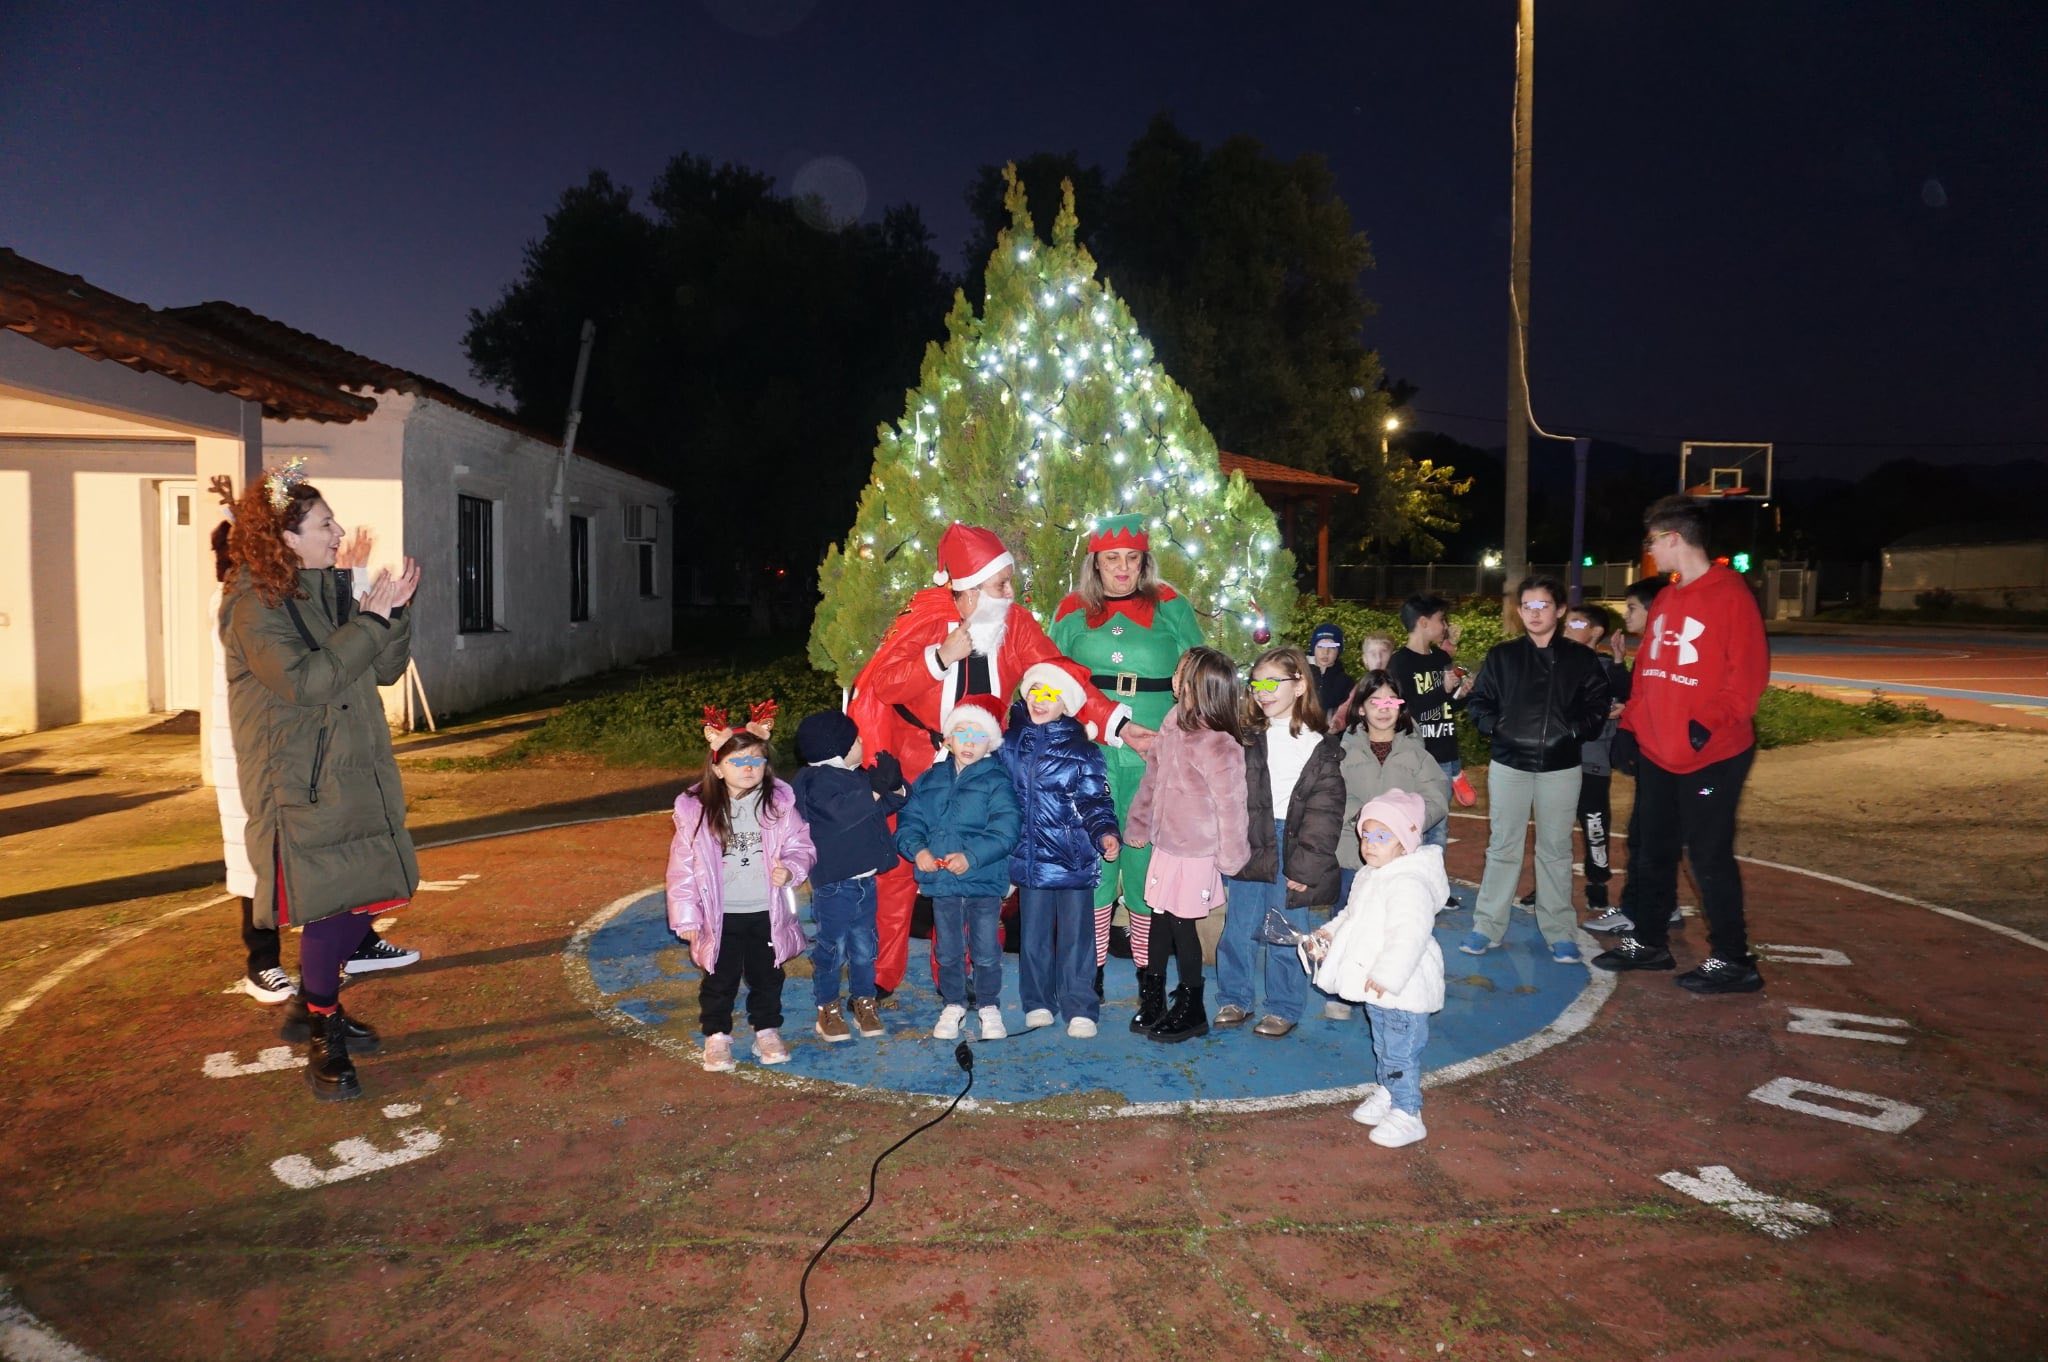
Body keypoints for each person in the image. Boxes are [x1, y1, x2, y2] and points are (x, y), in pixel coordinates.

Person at [848, 523, 1148, 998]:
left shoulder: (1016, 625)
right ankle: (883, 974)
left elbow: (1060, 673)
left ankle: (965, 970)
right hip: (914, 764)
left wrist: (1118, 723)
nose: (1012, 592)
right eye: (1000, 584)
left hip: (982, 765)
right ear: (968, 590)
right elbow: (884, 684)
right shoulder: (922, 620)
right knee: (899, 873)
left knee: (976, 873)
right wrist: (940, 658)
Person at [222, 462, 421, 1101]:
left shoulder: (319, 586)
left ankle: (311, 1006)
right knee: (335, 903)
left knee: (352, 895)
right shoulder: (253, 604)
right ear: (285, 537)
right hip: (298, 781)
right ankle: (322, 1036)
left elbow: (383, 669)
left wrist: (387, 608)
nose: (338, 532)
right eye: (324, 524)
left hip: (348, 768)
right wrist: (367, 616)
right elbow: (307, 683)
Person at [1594, 498, 1770, 993]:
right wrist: (1630, 726)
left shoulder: (1731, 595)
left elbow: (1749, 677)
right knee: (1651, 849)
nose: (1648, 550)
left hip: (1712, 756)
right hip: (1659, 754)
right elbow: (1647, 672)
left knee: (1708, 855)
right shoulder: (1668, 599)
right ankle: (1649, 941)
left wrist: (1708, 724)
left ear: (1673, 538)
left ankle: (1735, 959)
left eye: (1651, 541)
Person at [1049, 514, 1203, 982]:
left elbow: (1201, 676)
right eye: (1111, 559)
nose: (1121, 569)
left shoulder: (1171, 605)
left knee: (1144, 862)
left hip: (1154, 752)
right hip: (1090, 750)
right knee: (1093, 857)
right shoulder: (1070, 610)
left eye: (1131, 558)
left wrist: (1188, 740)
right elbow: (1049, 681)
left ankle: (1147, 973)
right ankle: (1088, 972)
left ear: (1144, 561)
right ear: (1095, 564)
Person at [1461, 575, 1612, 963]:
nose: (1534, 613)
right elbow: (1479, 702)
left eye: (1543, 605)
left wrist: (1571, 733)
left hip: (1561, 767)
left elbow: (1598, 706)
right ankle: (1487, 926)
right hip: (1509, 764)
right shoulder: (1503, 656)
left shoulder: (1581, 659)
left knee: (1556, 850)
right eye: (1527, 605)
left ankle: (1560, 930)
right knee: (1502, 847)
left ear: (1560, 610)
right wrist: (1496, 727)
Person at [667, 712, 817, 1072]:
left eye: (756, 760)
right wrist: (687, 916)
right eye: (738, 761)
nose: (748, 768)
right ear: (718, 768)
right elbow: (682, 869)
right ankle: (717, 1035)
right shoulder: (697, 813)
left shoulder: (778, 805)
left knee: (769, 975)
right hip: (720, 915)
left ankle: (766, 1030)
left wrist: (793, 868)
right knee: (720, 978)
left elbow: (802, 845)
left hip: (767, 911)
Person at [1304, 790, 1446, 1149]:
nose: (1370, 844)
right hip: (1377, 988)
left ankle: (1407, 1111)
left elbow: (1409, 936)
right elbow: (1352, 917)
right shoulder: (1372, 874)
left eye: (1382, 836)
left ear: (1405, 842)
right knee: (1383, 1044)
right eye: (1366, 835)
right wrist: (1327, 933)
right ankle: (1388, 1090)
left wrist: (1387, 976)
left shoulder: (1407, 882)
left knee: (1400, 1050)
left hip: (1401, 989)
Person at [1214, 646, 1345, 1038]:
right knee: (1238, 927)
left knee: (1287, 932)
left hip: (1294, 842)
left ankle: (1284, 1006)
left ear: (1300, 684)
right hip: (1251, 840)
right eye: (1255, 684)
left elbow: (1325, 813)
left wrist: (1305, 868)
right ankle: (1234, 997)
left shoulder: (1320, 745)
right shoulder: (1246, 737)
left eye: (1273, 682)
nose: (1262, 691)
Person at [1124, 647, 1251, 1043]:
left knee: (1182, 924)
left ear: (1204, 686)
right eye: (1177, 671)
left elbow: (1232, 806)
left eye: (1183, 673)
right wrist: (1140, 821)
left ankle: (1192, 1005)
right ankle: (1154, 995)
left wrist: (1231, 855)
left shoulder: (1219, 743)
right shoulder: (1171, 722)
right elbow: (1152, 777)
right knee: (1159, 916)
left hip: (1196, 851)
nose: (1175, 679)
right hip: (1166, 845)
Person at [999, 664, 1123, 1039]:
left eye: (1052, 695)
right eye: (1036, 691)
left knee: (1076, 937)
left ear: (1065, 705)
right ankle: (1037, 1002)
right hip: (1030, 858)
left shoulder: (1084, 750)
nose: (1041, 700)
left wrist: (1105, 832)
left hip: (1073, 857)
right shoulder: (1007, 744)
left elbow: (1096, 800)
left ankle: (1080, 1005)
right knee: (1033, 936)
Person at [895, 694, 1022, 1042]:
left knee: (985, 948)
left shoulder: (997, 781)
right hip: (942, 882)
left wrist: (972, 856)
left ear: (991, 743)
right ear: (947, 739)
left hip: (983, 881)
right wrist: (917, 849)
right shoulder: (930, 778)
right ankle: (953, 1003)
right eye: (961, 733)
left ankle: (987, 1005)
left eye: (978, 735)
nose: (969, 742)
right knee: (947, 948)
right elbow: (910, 820)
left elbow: (1007, 828)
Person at [790, 709, 907, 1044]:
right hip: (835, 884)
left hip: (863, 882)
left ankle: (863, 999)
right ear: (836, 747)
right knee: (833, 946)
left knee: (864, 945)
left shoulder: (855, 775)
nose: (862, 743)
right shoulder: (814, 781)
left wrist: (895, 786)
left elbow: (881, 806)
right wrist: (873, 788)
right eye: (855, 739)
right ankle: (827, 1006)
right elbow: (840, 813)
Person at [1584, 577, 1674, 935]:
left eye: (1633, 607)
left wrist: (1627, 713)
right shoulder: (1652, 648)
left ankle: (1643, 916)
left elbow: (1652, 702)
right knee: (1650, 836)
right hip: (1654, 757)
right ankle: (1659, 906)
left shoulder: (1661, 650)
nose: (1627, 614)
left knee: (1647, 838)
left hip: (1662, 759)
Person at [1386, 595, 1478, 841]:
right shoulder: (1399, 663)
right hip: (1415, 755)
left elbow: (1447, 704)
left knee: (1438, 828)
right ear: (1423, 622)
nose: (1445, 626)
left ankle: (1432, 879)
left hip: (1444, 754)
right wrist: (1442, 691)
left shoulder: (1442, 659)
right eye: (1441, 619)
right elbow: (1402, 709)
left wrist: (1464, 693)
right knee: (1411, 827)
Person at [1306, 623, 1354, 720]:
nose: (1325, 652)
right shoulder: (1300, 673)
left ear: (1338, 651)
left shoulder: (1345, 682)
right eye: (1320, 646)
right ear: (1313, 648)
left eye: (1332, 647)